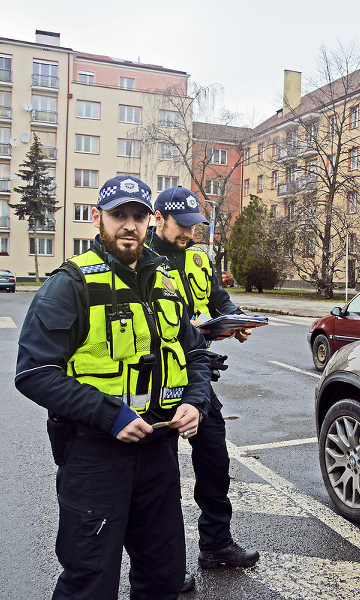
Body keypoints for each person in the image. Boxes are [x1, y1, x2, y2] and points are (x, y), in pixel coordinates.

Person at [15, 175, 210, 600]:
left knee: (163, 575)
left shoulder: (165, 283)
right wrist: (110, 414)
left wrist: (196, 403)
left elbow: (195, 354)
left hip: (158, 449)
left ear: (150, 223)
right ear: (96, 218)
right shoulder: (70, 284)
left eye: (138, 216)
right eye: (118, 214)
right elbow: (34, 372)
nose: (129, 225)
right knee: (90, 581)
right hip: (95, 454)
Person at [148, 186, 259, 589]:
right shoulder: (138, 258)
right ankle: (163, 566)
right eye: (183, 226)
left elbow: (218, 300)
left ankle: (215, 544)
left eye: (196, 226)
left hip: (195, 377)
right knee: (157, 479)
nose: (191, 234)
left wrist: (236, 320)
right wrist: (187, 331)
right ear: (158, 218)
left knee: (214, 460)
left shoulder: (198, 256)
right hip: (152, 379)